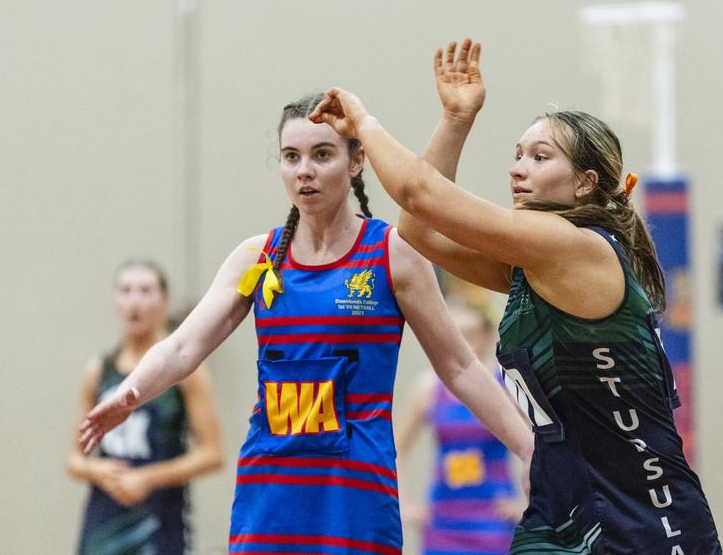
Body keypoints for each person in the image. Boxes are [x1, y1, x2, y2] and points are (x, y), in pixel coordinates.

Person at [309, 39, 722, 554]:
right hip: (560, 511)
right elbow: (418, 230)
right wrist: (456, 120)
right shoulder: (537, 267)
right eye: (517, 155)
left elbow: (419, 194)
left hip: (645, 520)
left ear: (585, 183)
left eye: (540, 157)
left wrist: (364, 124)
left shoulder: (576, 249)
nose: (517, 168)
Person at [79, 95, 533, 555]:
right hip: (270, 489)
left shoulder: (392, 254)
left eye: (322, 154)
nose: (304, 170)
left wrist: (530, 449)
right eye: (291, 157)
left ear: (357, 161)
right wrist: (132, 391)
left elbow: (459, 366)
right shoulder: (257, 257)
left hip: (355, 493)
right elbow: (182, 347)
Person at [68, 261, 225, 555]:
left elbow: (213, 455)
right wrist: (98, 470)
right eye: (125, 291)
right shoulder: (99, 370)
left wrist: (148, 478)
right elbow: (74, 460)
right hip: (104, 519)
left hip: (159, 519)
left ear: (164, 301)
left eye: (145, 291)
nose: (134, 302)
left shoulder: (187, 373)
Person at [395, 284, 524, 555]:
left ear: (488, 337)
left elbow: (544, 442)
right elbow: (397, 449)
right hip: (443, 518)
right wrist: (405, 503)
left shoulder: (508, 388)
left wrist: (529, 502)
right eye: (457, 335)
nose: (465, 344)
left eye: (472, 335)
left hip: (494, 518)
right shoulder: (428, 388)